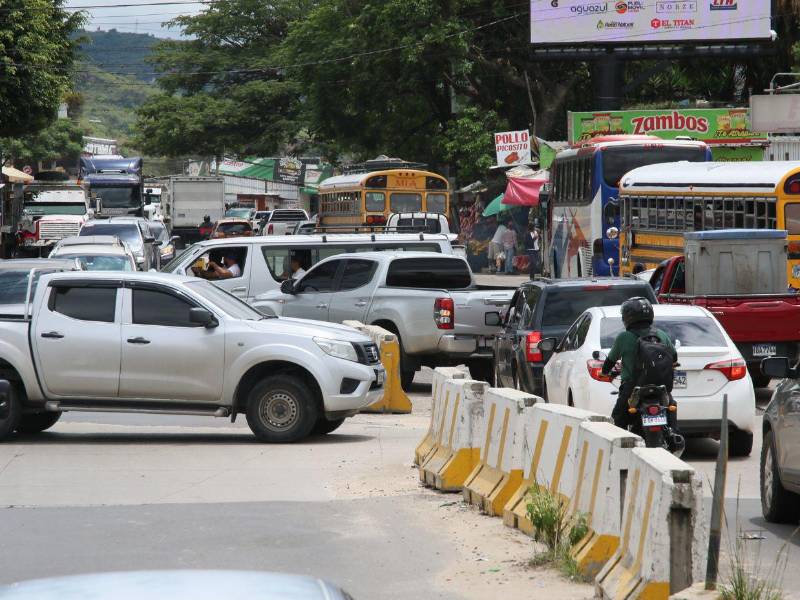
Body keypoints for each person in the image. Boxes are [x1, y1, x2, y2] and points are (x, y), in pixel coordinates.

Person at [601, 297, 677, 429]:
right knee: (671, 406)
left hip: (633, 387)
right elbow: (674, 356)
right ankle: (675, 434)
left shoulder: (624, 337)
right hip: (660, 385)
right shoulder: (660, 334)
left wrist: (604, 372)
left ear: (627, 317)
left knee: (618, 419)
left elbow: (611, 360)